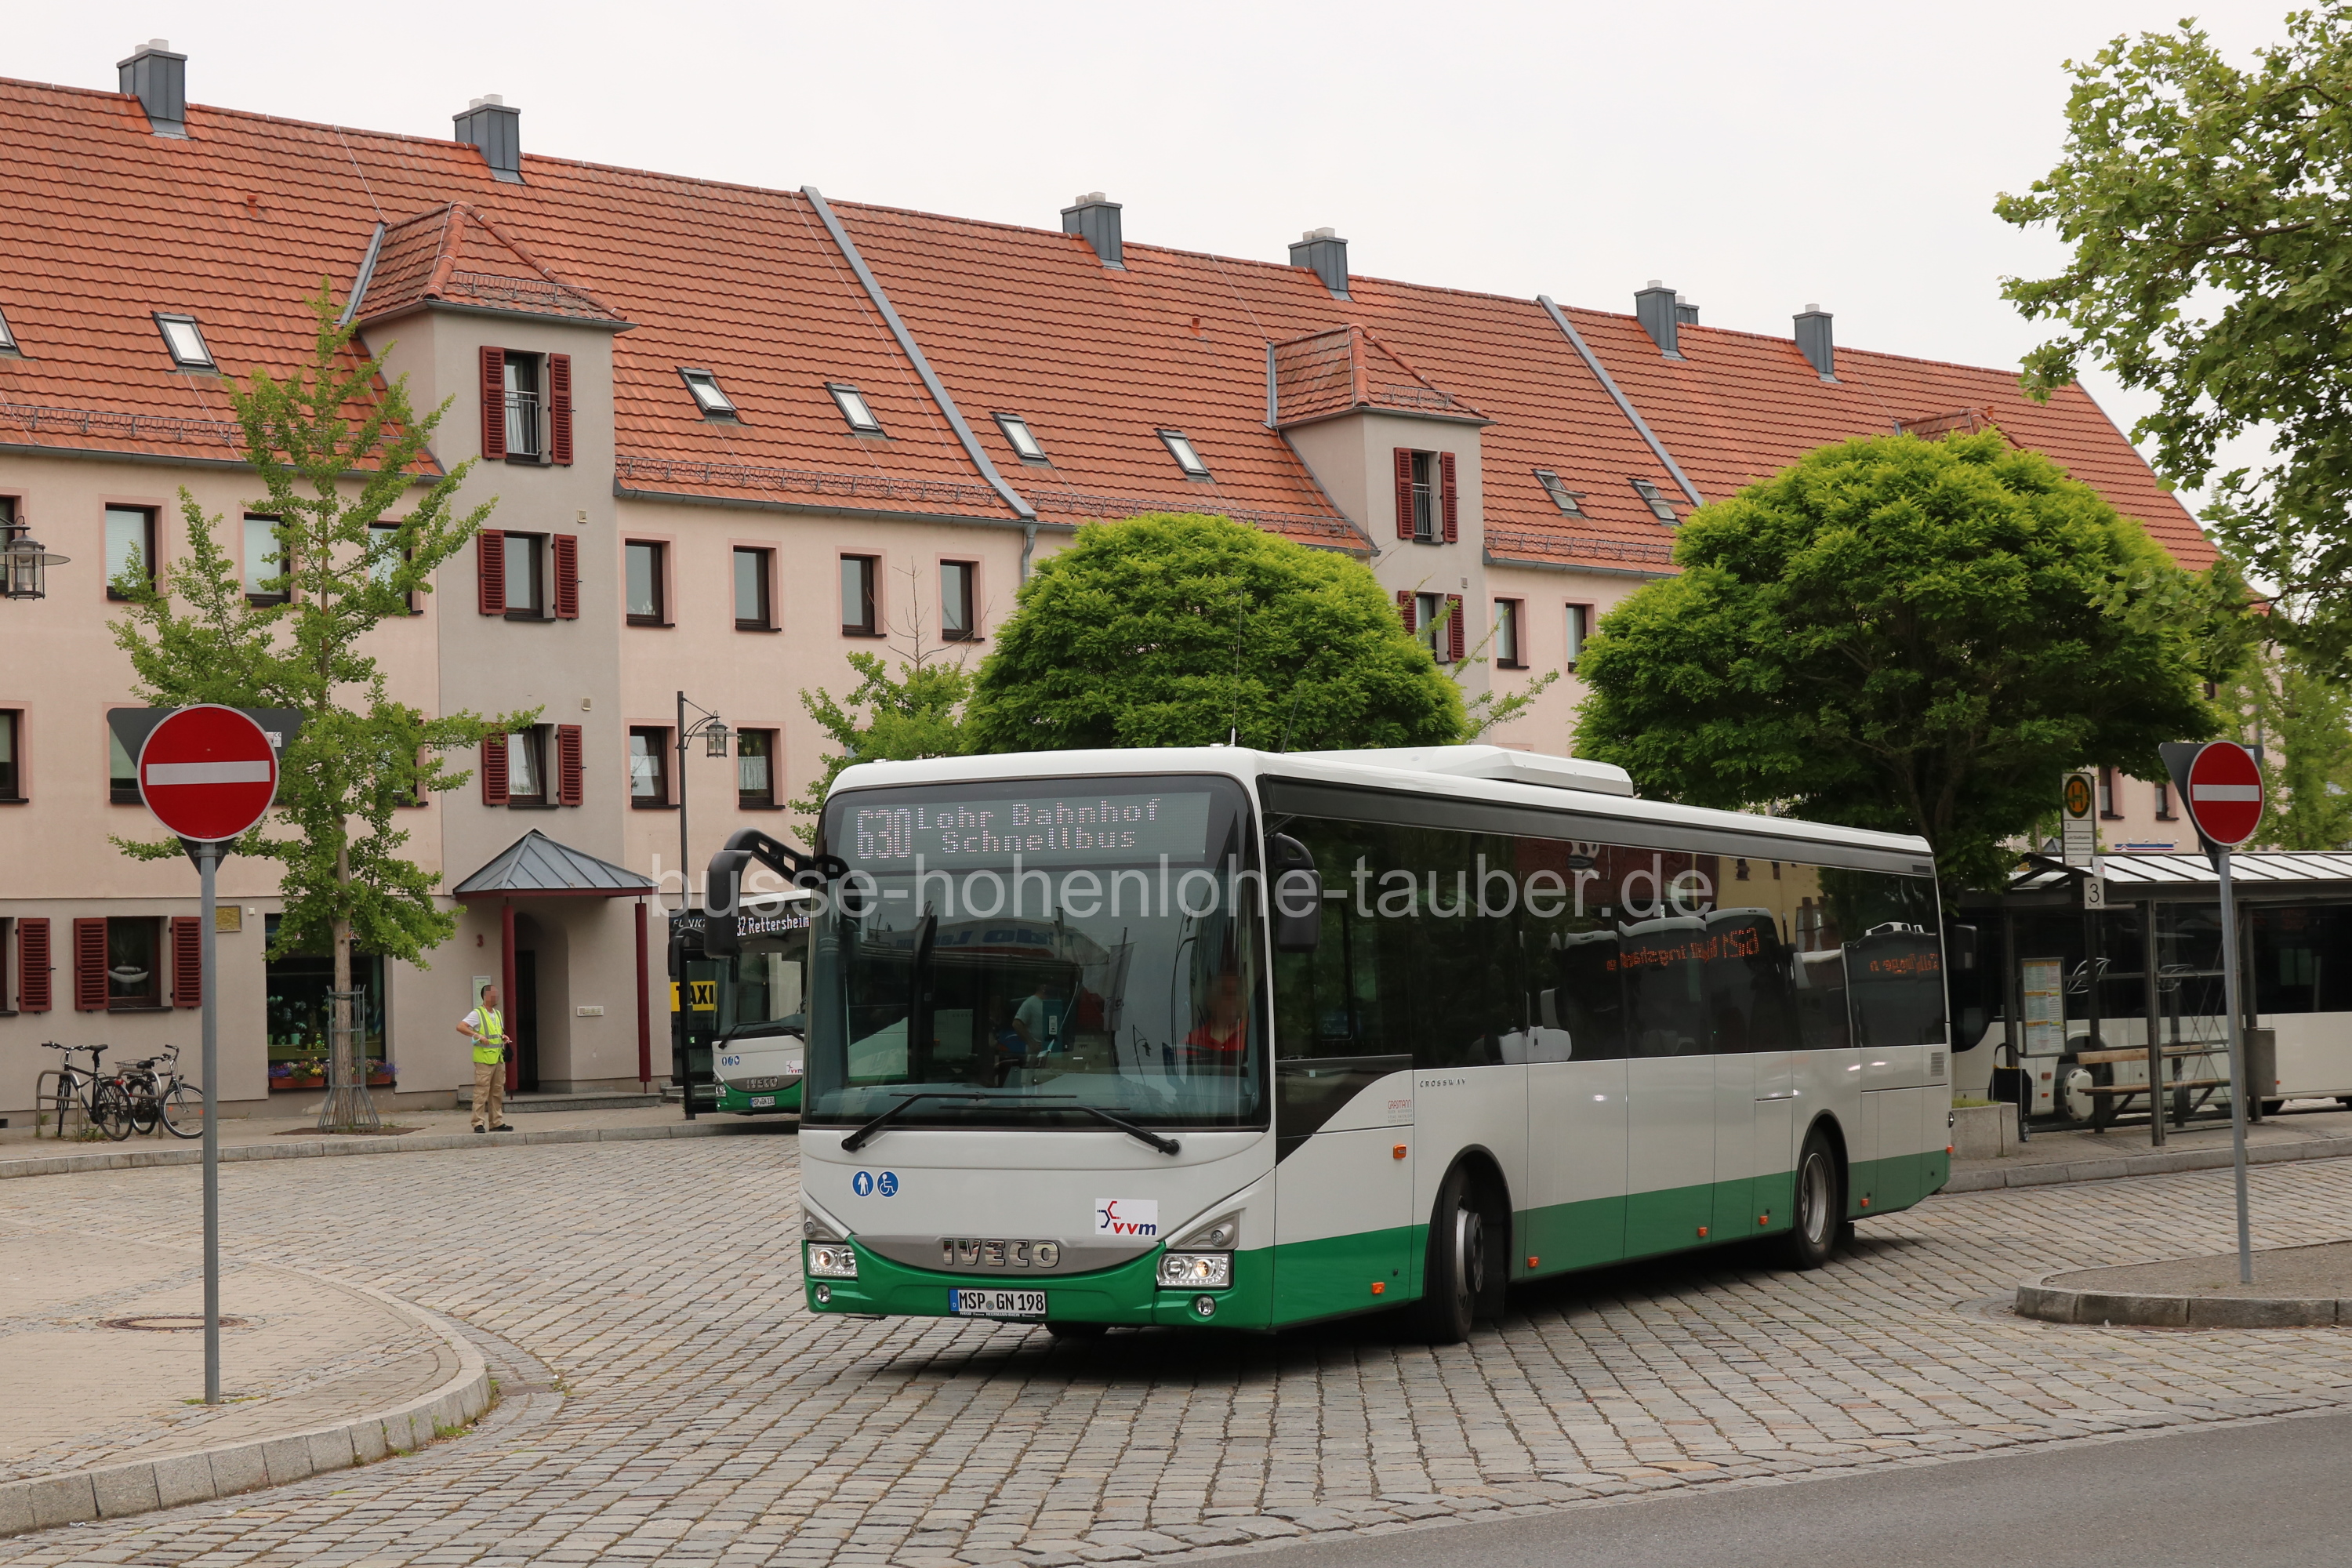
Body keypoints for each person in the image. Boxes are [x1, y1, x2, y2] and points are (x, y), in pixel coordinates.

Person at [457, 984, 514, 1133]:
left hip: (498, 1058)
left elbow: (495, 1032)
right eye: (494, 994)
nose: (497, 997)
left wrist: (503, 1037)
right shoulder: (477, 1013)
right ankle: (478, 1123)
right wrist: (477, 1035)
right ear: (486, 996)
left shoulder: (497, 1013)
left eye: (497, 994)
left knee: (497, 1092)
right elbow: (461, 1027)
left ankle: (496, 1122)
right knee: (481, 1092)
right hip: (484, 1059)